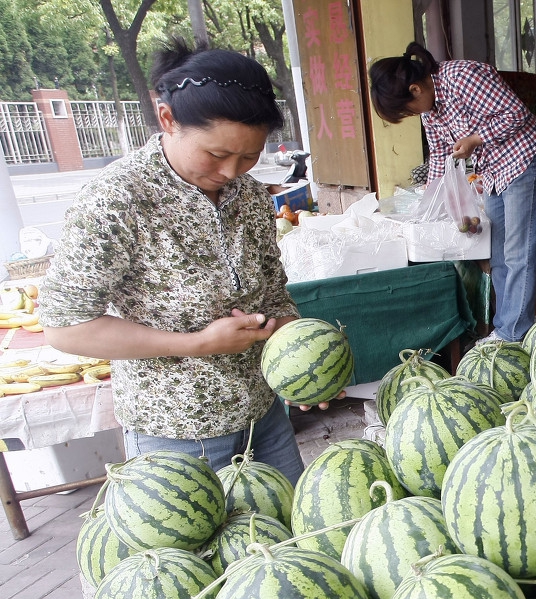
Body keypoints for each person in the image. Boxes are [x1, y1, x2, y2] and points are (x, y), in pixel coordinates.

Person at [38, 39, 330, 484]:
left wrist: (302, 366)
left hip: (263, 416)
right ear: (167, 118)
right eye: (216, 154)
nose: (232, 171)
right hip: (176, 432)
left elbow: (273, 295)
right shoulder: (116, 201)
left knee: (286, 544)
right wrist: (198, 344)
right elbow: (65, 327)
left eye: (249, 156)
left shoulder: (249, 195)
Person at [368, 43, 536, 344]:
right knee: (498, 256)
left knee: (519, 253)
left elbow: (515, 113)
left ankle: (513, 334)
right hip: (493, 173)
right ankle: (506, 328)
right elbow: (441, 155)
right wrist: (430, 201)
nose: (411, 114)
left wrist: (475, 139)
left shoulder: (462, 77)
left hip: (523, 163)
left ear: (415, 89)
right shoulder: (430, 110)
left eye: (406, 109)